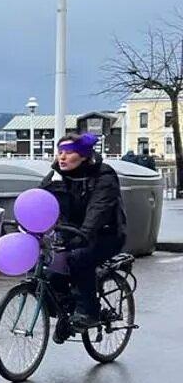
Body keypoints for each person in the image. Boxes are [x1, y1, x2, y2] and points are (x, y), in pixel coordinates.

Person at [39, 132, 127, 344]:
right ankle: (65, 314)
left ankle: (88, 311)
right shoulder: (58, 175)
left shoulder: (104, 176)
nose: (62, 157)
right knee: (49, 269)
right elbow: (39, 200)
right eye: (59, 152)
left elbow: (99, 209)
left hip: (106, 234)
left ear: (84, 156)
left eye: (68, 153)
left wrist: (84, 234)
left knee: (79, 258)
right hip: (73, 232)